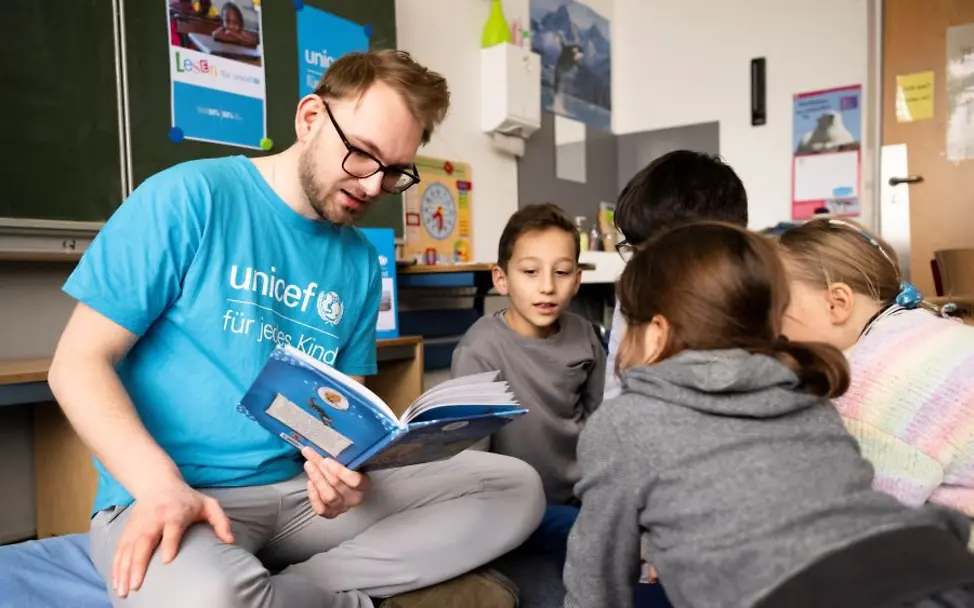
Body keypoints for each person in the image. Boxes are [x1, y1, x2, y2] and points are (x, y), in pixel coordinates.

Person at [48, 49, 544, 608]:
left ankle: (293, 593)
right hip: (172, 496)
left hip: (298, 501)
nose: (373, 185)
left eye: (395, 171)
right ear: (310, 118)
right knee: (210, 597)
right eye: (362, 154)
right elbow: (76, 364)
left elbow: (338, 414)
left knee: (513, 488)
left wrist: (345, 473)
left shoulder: (358, 263)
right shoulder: (189, 197)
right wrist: (158, 484)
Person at [564, 221, 974, 608]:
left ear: (655, 333)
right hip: (931, 566)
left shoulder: (625, 422)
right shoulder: (810, 393)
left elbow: (596, 573)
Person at [778, 217, 974, 545]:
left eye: (776, 306)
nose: (772, 328)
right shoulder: (916, 322)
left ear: (837, 303)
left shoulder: (871, 388)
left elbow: (873, 524)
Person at [451, 203, 605, 556]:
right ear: (501, 278)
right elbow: (468, 464)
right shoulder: (479, 350)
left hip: (582, 498)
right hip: (512, 507)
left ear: (578, 279)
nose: (547, 287)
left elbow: (603, 424)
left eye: (562, 272)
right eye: (531, 271)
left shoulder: (585, 335)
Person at [604, 150, 749, 402]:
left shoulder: (750, 300)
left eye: (653, 254)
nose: (642, 269)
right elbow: (615, 385)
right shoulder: (634, 291)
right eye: (635, 252)